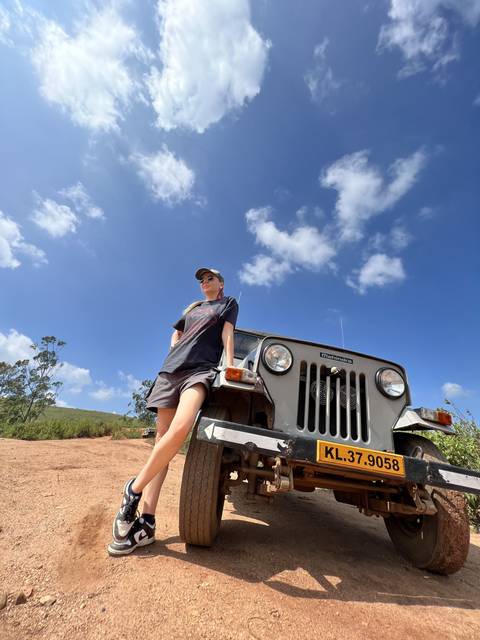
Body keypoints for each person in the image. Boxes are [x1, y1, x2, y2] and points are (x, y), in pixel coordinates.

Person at [107, 268, 239, 556]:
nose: (205, 283)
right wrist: (174, 350)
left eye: (210, 279)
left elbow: (227, 333)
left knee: (180, 430)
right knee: (162, 441)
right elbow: (176, 333)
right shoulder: (193, 308)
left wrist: (230, 365)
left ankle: (133, 488)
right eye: (202, 280)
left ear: (221, 284)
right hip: (171, 372)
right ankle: (147, 524)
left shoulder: (227, 304)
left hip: (200, 372)